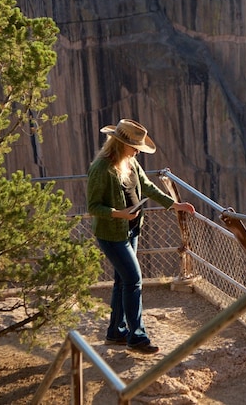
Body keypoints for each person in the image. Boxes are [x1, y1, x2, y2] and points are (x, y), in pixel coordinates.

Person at [87, 118, 196, 354]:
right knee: (133, 280)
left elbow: (146, 186)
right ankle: (136, 337)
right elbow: (93, 207)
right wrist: (119, 214)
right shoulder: (101, 169)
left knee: (122, 280)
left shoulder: (131, 163)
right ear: (119, 143)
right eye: (135, 146)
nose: (138, 150)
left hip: (131, 230)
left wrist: (174, 205)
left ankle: (116, 331)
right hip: (112, 235)